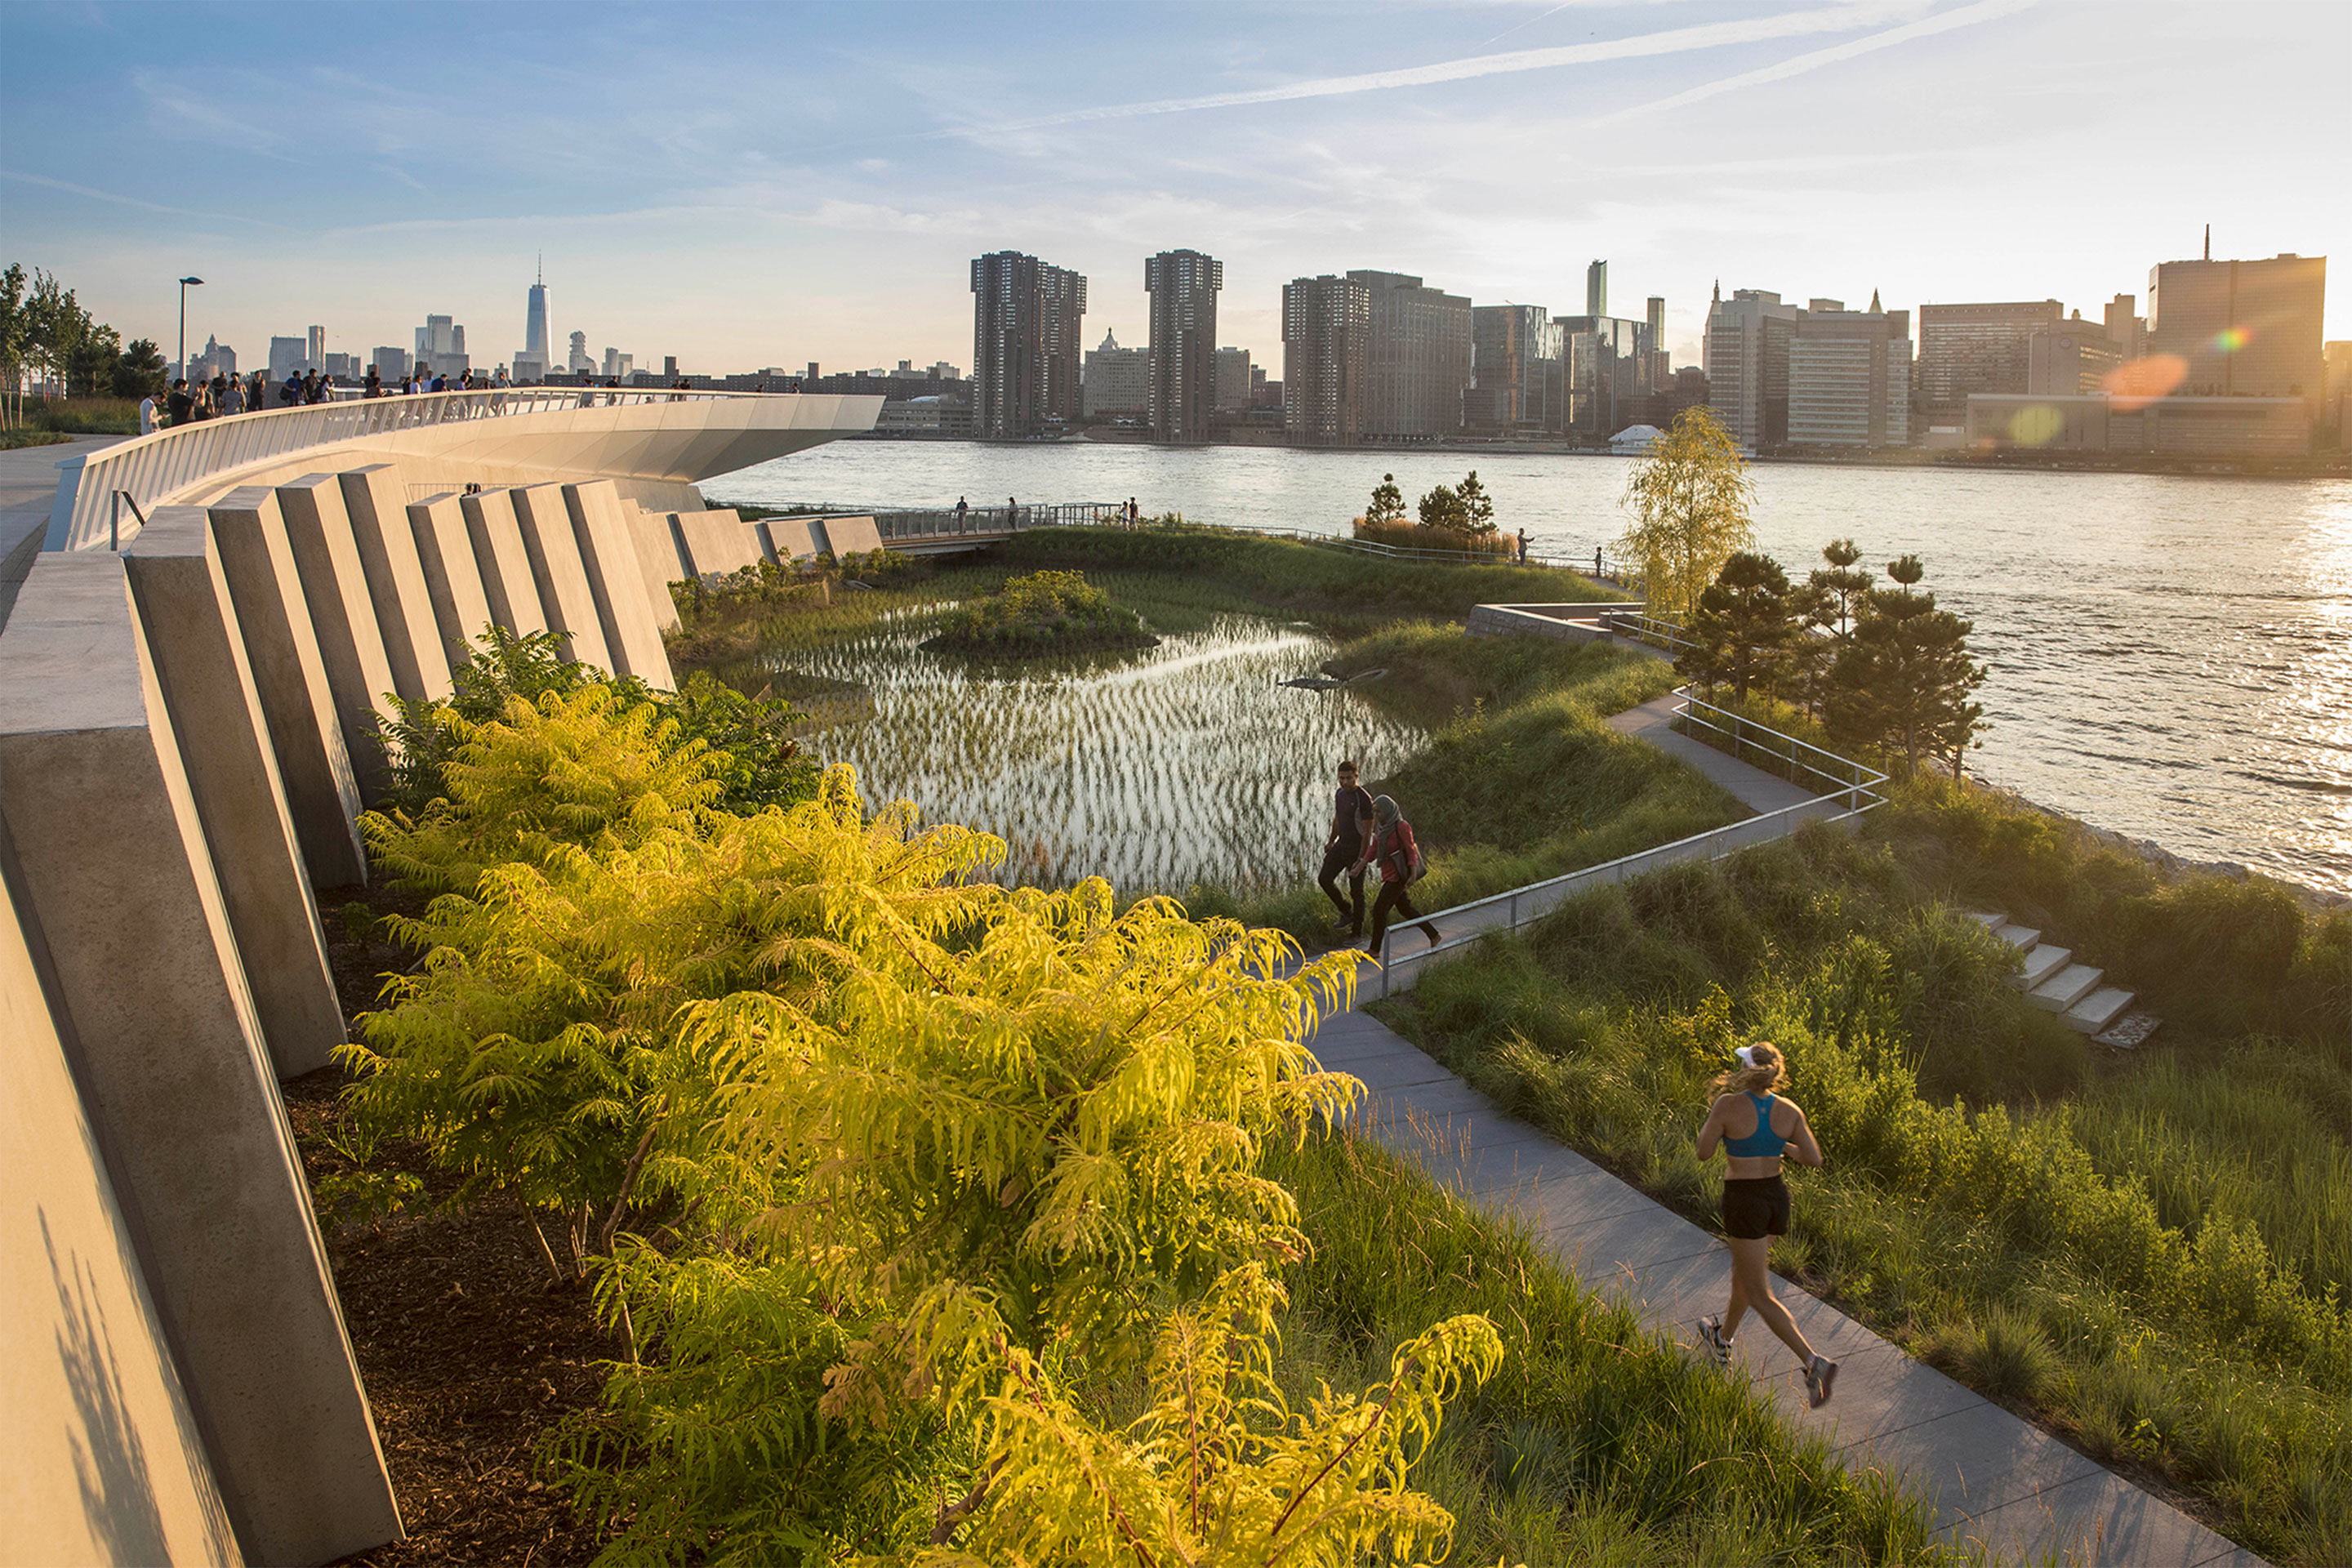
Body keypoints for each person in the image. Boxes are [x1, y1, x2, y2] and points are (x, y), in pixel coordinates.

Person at [1695, 1042, 1838, 1409]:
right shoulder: (1789, 1110)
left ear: (1744, 1069)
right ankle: (1721, 1340)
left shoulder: (1727, 1105)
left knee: (1760, 1293)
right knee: (1745, 1275)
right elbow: (1813, 1158)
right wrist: (1779, 1145)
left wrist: (1722, 1129)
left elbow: (1704, 1152)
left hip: (1744, 1200)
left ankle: (1812, 1363)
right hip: (1775, 1198)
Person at [1355, 794, 1439, 957]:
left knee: (1379, 910)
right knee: (1405, 909)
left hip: (1398, 875)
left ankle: (1374, 950)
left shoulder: (1402, 826)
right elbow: (1373, 849)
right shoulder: (1381, 827)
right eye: (1375, 812)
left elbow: (1410, 850)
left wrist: (1413, 874)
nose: (1377, 815)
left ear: (1388, 810)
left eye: (1379, 812)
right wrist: (1359, 866)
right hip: (1388, 873)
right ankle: (1433, 934)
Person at [1316, 760, 1376, 938]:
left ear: (1356, 776)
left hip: (1357, 849)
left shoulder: (1364, 799)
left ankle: (1357, 932)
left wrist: (1361, 859)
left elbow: (1367, 833)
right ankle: (1346, 911)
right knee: (1324, 879)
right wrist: (1331, 841)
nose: (1344, 782)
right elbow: (1337, 819)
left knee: (1356, 891)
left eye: (1349, 778)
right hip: (1342, 845)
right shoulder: (1340, 794)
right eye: (1341, 778)